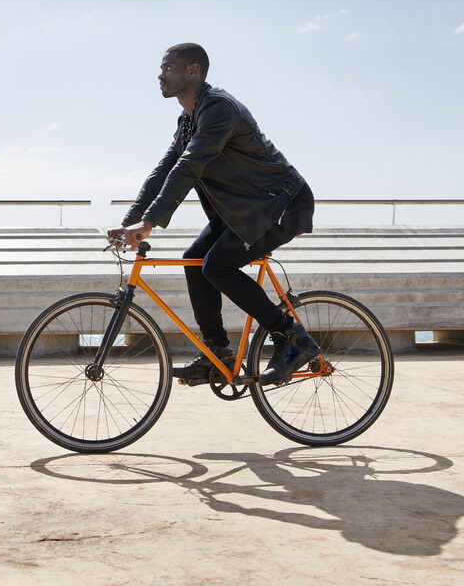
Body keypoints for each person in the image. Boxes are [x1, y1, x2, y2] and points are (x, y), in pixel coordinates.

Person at [107, 43, 318, 386]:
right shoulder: (189, 119)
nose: (160, 75)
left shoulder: (220, 109)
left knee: (217, 266)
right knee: (195, 260)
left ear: (193, 71)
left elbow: (189, 167)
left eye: (169, 68)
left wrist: (149, 224)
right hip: (244, 211)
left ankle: (293, 340)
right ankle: (216, 352)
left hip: (279, 204)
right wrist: (130, 219)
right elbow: (165, 171)